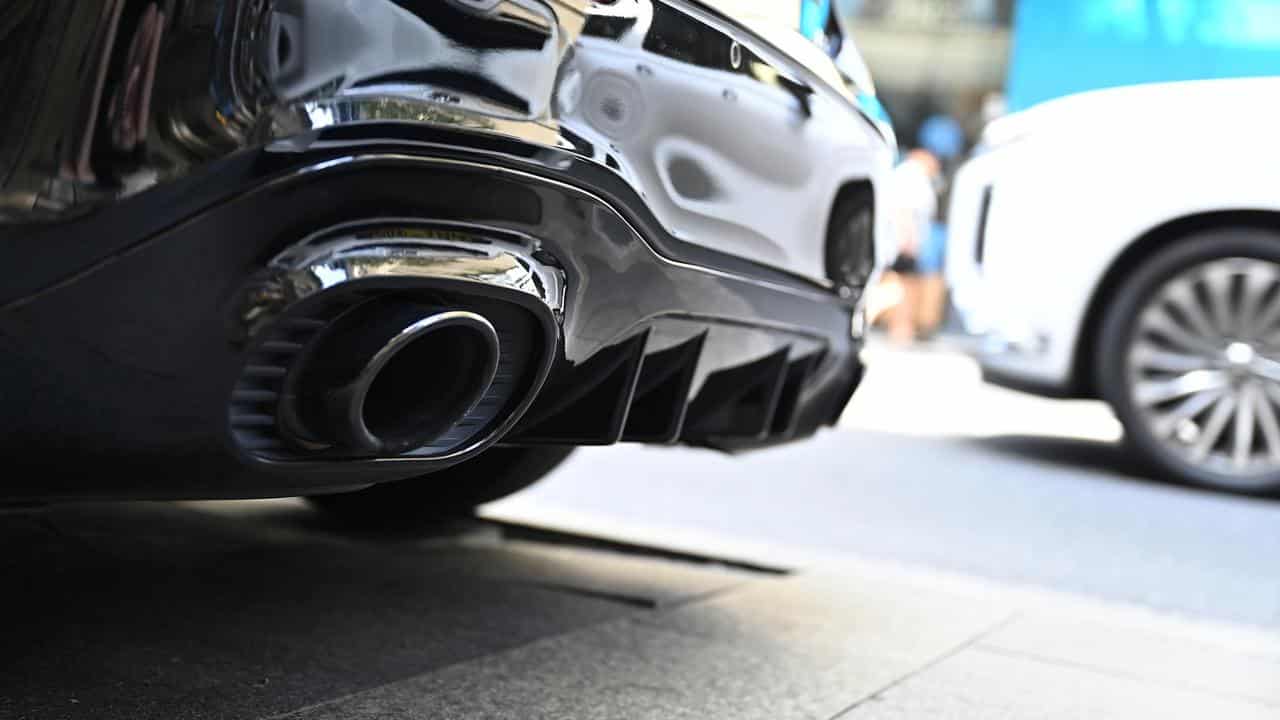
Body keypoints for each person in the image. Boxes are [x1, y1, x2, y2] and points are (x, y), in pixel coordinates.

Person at [884, 148, 943, 343]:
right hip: (904, 241)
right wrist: (908, 239)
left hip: (904, 239)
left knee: (902, 285)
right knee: (902, 286)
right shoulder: (912, 176)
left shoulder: (910, 175)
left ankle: (902, 326)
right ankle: (900, 327)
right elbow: (904, 210)